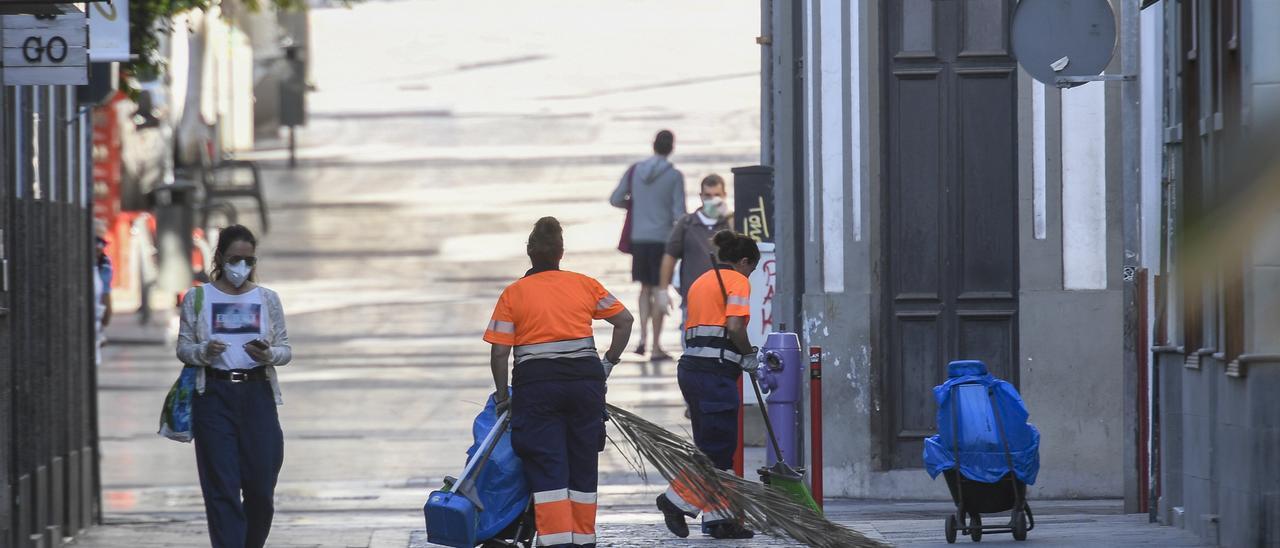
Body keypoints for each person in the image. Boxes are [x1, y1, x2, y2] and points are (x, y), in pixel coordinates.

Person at [484, 217, 634, 547]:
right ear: (561, 253)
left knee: (548, 461)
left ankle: (555, 541)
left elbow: (499, 354)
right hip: (584, 386)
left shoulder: (514, 294)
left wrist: (501, 397)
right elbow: (624, 321)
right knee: (582, 460)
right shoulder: (585, 284)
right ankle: (582, 539)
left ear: (529, 253)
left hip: (537, 390)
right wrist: (608, 363)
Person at [176, 224, 292, 548]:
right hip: (213, 395)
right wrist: (203, 352)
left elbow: (285, 350)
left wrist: (268, 353)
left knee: (260, 488)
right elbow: (183, 347)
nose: (241, 266)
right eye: (234, 258)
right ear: (220, 258)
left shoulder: (267, 299)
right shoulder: (198, 298)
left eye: (248, 260)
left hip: (257, 395)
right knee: (221, 487)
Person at [655, 230, 760, 540]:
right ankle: (675, 501)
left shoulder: (702, 280)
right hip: (715, 374)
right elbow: (735, 325)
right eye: (751, 268)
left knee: (715, 450)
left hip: (692, 370)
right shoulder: (738, 281)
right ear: (743, 261)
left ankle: (721, 520)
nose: (750, 274)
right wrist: (749, 354)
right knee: (717, 451)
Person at [609, 130, 685, 362]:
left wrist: (634, 205)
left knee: (644, 289)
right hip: (662, 238)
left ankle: (642, 338)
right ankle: (656, 345)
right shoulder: (673, 176)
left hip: (639, 237)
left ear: (653, 146)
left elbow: (615, 198)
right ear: (671, 147)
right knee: (659, 289)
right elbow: (678, 212)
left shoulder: (635, 170)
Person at [657, 174, 733, 344]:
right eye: (708, 196)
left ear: (724, 196)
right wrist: (663, 290)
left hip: (725, 300)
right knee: (692, 344)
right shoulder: (687, 223)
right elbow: (669, 256)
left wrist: (728, 217)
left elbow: (744, 244)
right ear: (701, 197)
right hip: (693, 298)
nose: (712, 200)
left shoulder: (729, 223)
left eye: (717, 195)